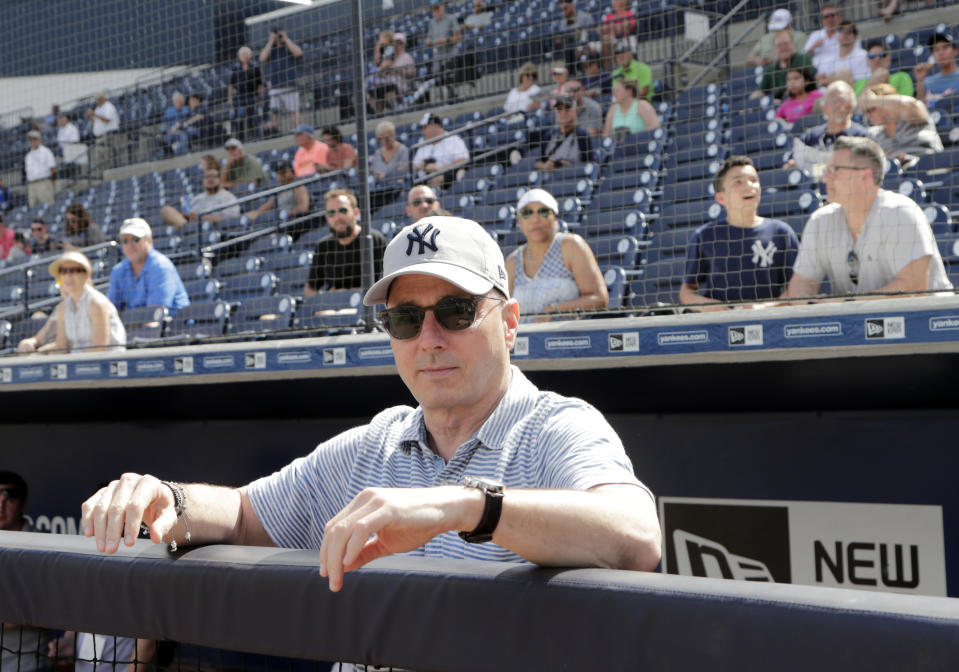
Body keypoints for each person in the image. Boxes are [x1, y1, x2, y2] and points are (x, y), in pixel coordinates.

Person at [81, 216, 661, 594]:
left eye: (456, 312)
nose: (429, 338)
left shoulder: (557, 426)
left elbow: (635, 537)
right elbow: (240, 516)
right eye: (405, 319)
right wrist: (169, 497)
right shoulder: (375, 445)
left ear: (509, 323)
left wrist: (465, 508)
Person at [783, 136, 952, 299]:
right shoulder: (819, 220)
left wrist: (845, 304)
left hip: (929, 323)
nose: (825, 178)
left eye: (834, 170)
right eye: (825, 170)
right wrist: (809, 301)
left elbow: (914, 288)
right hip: (856, 325)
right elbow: (802, 283)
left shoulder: (901, 212)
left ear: (865, 176)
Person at [680, 156, 799, 310]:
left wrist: (764, 308)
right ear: (721, 198)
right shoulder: (705, 236)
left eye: (754, 180)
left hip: (770, 324)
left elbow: (798, 287)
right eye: (738, 182)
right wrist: (711, 307)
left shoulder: (781, 232)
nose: (749, 186)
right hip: (720, 327)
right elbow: (686, 292)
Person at [506, 188, 608, 320]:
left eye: (543, 212)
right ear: (519, 221)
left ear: (555, 218)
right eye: (527, 213)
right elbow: (504, 311)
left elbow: (599, 299)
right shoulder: (512, 261)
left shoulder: (571, 245)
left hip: (567, 338)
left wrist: (553, 309)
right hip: (525, 339)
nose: (535, 219)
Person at [0, 472, 50, 672]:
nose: (0, 505)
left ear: (22, 504)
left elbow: (41, 611)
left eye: (8, 497)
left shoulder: (42, 548)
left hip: (25, 664)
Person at [304, 189, 386, 297]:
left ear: (356, 213)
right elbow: (310, 288)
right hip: (333, 308)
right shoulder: (323, 246)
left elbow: (386, 283)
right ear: (327, 218)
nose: (337, 217)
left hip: (368, 305)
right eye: (331, 213)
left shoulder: (373, 239)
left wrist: (349, 294)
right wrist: (323, 300)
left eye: (343, 211)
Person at [47, 251, 126, 352]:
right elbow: (61, 347)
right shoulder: (62, 308)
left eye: (74, 270)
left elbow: (99, 349)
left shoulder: (97, 304)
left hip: (109, 364)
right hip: (77, 364)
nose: (68, 276)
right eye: (63, 271)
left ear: (86, 275)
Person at [107, 218, 190, 313]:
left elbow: (155, 316)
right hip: (134, 325)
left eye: (135, 239)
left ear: (150, 241)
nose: (130, 245)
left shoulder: (161, 267)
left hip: (173, 326)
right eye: (125, 241)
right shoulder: (118, 271)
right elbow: (111, 313)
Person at [787, 80, 868, 176]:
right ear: (823, 107)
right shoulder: (811, 136)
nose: (837, 105)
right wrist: (792, 165)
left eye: (842, 100)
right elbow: (791, 162)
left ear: (851, 107)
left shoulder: (862, 136)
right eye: (832, 100)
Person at [861, 83, 943, 165]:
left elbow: (908, 104)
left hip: (931, 166)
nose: (868, 115)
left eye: (871, 109)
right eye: (865, 111)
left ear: (889, 105)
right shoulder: (873, 133)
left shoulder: (913, 116)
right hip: (897, 175)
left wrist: (873, 100)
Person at [160, 165, 240, 230]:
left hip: (213, 230)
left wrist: (203, 218)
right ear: (203, 181)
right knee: (167, 210)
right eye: (207, 177)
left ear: (219, 180)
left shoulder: (228, 197)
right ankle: (187, 229)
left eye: (213, 176)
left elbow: (232, 220)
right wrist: (187, 215)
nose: (210, 179)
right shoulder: (198, 198)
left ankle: (186, 229)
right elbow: (190, 215)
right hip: (194, 227)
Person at [259, 26, 303, 133]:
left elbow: (298, 53)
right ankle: (275, 131)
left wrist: (286, 39)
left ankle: (299, 130)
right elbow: (262, 58)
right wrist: (271, 41)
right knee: (275, 111)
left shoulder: (289, 46)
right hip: (275, 85)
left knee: (293, 110)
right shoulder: (272, 50)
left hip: (290, 84)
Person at [412, 113, 470, 191]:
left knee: (436, 179)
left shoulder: (453, 139)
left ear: (435, 126)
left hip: (448, 175)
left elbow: (464, 159)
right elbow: (414, 165)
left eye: (425, 127)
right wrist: (426, 166)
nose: (423, 131)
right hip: (425, 179)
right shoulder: (423, 145)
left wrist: (441, 168)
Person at [752, 32, 816, 101]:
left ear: (793, 45)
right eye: (779, 45)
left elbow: (812, 81)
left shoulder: (803, 58)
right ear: (775, 49)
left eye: (786, 44)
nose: (783, 48)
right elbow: (761, 91)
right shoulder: (771, 69)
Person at [537, 94, 594, 171]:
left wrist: (569, 166)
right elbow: (537, 161)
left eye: (567, 108)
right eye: (559, 109)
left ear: (576, 110)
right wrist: (545, 166)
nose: (563, 113)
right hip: (550, 178)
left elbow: (591, 164)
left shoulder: (582, 135)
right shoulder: (549, 135)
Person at [244, 161, 311, 223]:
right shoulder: (278, 190)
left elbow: (303, 207)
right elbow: (267, 206)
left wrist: (286, 213)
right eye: (279, 173)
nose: (281, 175)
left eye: (284, 172)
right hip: (277, 220)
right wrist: (253, 215)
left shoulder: (298, 187)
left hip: (292, 221)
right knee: (255, 218)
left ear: (292, 172)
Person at [227, 46, 264, 141]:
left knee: (253, 117)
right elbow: (231, 85)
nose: (244, 56)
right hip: (240, 99)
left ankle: (256, 138)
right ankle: (240, 139)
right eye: (242, 54)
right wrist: (230, 99)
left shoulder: (255, 66)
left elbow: (260, 84)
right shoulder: (235, 68)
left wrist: (260, 98)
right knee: (239, 118)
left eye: (246, 53)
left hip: (252, 97)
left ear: (250, 55)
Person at [815, 21, 868, 86]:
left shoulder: (863, 55)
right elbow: (822, 79)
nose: (844, 33)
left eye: (849, 31)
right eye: (841, 30)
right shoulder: (830, 57)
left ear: (855, 37)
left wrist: (831, 78)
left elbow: (860, 80)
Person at [916, 33, 959, 109]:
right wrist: (920, 81)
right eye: (936, 50)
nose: (941, 53)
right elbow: (921, 110)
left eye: (945, 47)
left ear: (955, 51)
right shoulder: (927, 81)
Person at [85, 91, 120, 175]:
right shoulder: (98, 108)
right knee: (99, 158)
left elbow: (107, 120)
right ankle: (102, 175)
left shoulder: (108, 106)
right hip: (99, 137)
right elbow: (96, 122)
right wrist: (91, 117)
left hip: (107, 135)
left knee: (107, 157)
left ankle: (109, 175)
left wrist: (95, 114)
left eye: (98, 99)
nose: (97, 101)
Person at [425, 1, 462, 81]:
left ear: (442, 7)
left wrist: (447, 40)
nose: (436, 10)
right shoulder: (432, 22)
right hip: (439, 53)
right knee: (434, 74)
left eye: (437, 8)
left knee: (450, 74)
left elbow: (458, 36)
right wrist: (429, 42)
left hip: (451, 52)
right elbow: (428, 39)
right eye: (434, 9)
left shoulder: (451, 18)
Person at [553, 0, 594, 72]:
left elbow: (592, 33)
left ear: (572, 5)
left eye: (565, 8)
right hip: (572, 48)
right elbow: (563, 37)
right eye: (562, 9)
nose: (564, 11)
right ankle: (571, 74)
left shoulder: (585, 16)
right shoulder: (563, 22)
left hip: (587, 44)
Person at [804, 4, 842, 76]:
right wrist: (814, 47)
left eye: (833, 15)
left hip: (840, 74)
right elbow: (804, 58)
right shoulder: (815, 35)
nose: (830, 19)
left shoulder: (846, 34)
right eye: (826, 17)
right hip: (819, 77)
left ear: (840, 18)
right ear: (822, 21)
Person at [25, 130, 57, 207]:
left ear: (40, 139)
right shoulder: (28, 155)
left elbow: (53, 169)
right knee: (33, 208)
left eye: (34, 139)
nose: (32, 141)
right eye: (30, 139)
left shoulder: (46, 151)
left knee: (47, 207)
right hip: (31, 184)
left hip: (44, 182)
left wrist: (51, 181)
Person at [600, 0, 637, 67]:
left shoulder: (629, 13)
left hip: (626, 38)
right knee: (605, 39)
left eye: (617, 2)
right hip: (611, 39)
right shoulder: (609, 16)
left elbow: (629, 26)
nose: (615, 4)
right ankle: (609, 69)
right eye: (614, 2)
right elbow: (601, 30)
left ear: (623, 3)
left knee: (609, 39)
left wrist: (611, 28)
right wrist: (615, 28)